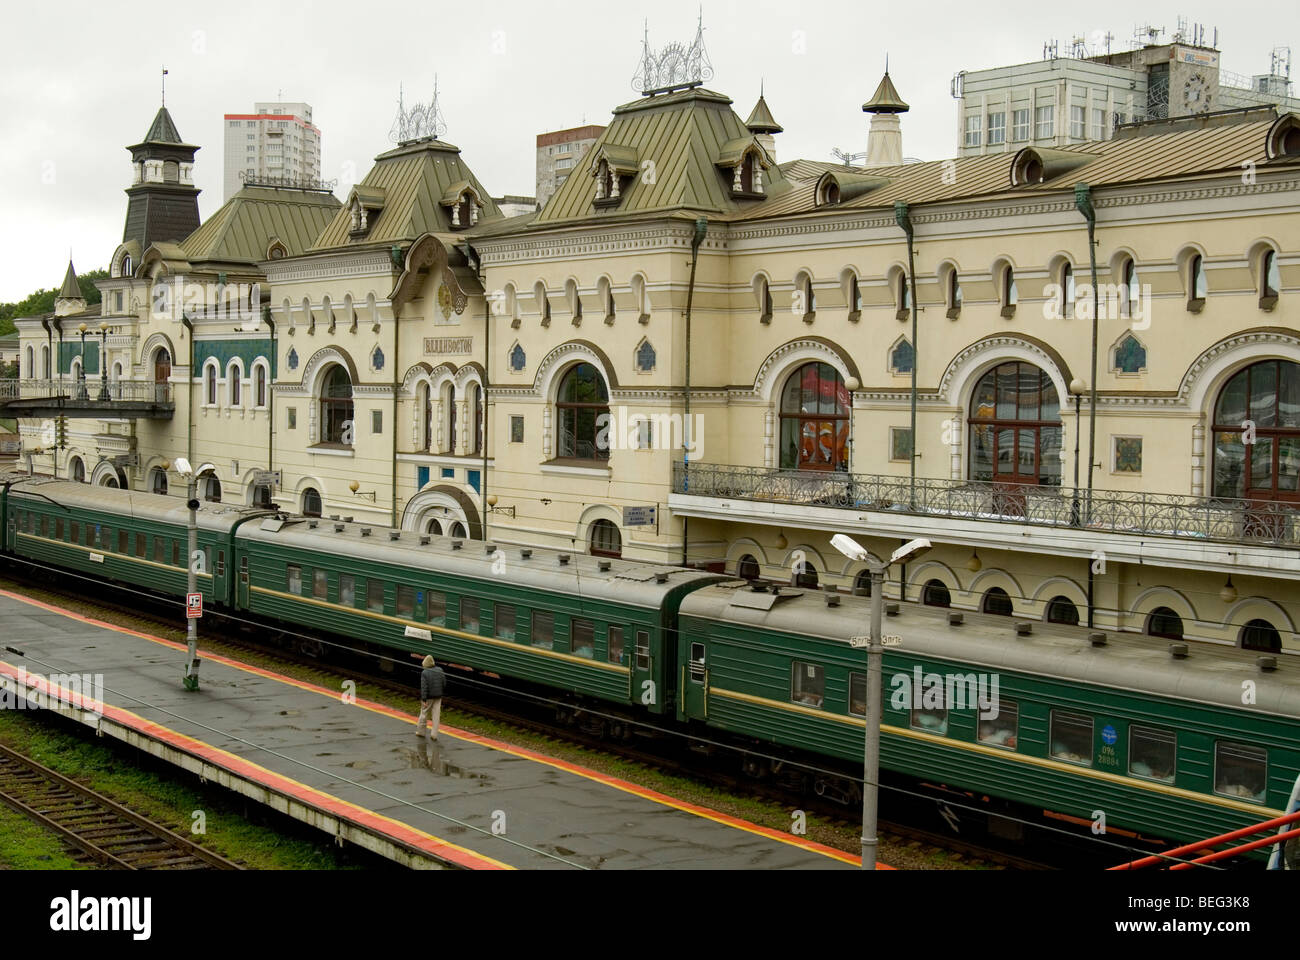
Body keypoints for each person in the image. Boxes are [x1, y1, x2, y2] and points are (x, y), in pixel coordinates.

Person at [417, 655, 446, 739]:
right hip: (438, 697)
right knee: (436, 715)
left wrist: (424, 699)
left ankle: (421, 732)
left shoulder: (424, 673)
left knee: (424, 713)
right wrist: (440, 692)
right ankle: (434, 735)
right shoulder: (440, 670)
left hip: (429, 697)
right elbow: (444, 683)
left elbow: (424, 688)